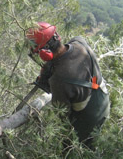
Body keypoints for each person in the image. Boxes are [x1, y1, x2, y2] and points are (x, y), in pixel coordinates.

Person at [26, 21, 110, 151]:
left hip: (90, 115)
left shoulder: (58, 80)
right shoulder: (79, 42)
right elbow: (70, 60)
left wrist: (51, 82)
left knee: (83, 149)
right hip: (103, 98)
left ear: (44, 52)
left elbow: (63, 115)